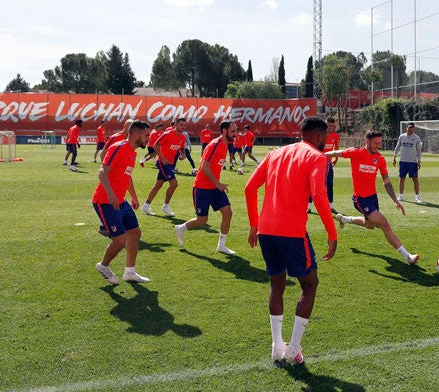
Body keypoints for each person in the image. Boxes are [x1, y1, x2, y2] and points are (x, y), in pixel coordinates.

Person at [244, 116, 338, 365]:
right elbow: (319, 195)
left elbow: (249, 188)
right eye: (325, 137)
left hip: (266, 230)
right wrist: (332, 233)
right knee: (309, 284)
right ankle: (293, 348)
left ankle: (277, 346)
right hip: (293, 233)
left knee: (277, 284)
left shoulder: (276, 153)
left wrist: (254, 224)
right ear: (319, 136)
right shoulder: (318, 157)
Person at [328, 130, 419, 265]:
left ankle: (345, 219)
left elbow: (386, 181)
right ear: (367, 141)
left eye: (380, 143)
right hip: (360, 199)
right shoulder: (356, 153)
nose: (378, 145)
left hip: (372, 198)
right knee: (384, 224)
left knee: (370, 225)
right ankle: (407, 256)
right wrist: (318, 155)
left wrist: (395, 201)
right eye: (375, 143)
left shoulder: (380, 159)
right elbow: (336, 153)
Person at [93, 120, 152, 285]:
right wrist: (111, 194)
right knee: (120, 240)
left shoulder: (132, 152)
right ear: (135, 134)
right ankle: (103, 266)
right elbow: (102, 171)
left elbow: (127, 175)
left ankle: (130, 272)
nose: (149, 138)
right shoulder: (119, 147)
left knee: (135, 233)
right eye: (146, 135)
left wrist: (133, 196)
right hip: (105, 201)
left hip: (121, 201)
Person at [174, 121, 237, 255]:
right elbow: (204, 166)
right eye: (233, 131)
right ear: (224, 131)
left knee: (228, 213)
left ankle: (221, 245)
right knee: (202, 220)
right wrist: (217, 183)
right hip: (202, 188)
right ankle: (181, 228)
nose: (236, 134)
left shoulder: (226, 145)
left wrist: (217, 185)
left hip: (215, 188)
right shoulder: (215, 144)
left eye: (236, 131)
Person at [141, 118, 187, 217]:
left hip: (170, 164)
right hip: (163, 163)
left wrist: (182, 155)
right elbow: (155, 145)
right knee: (174, 184)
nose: (183, 127)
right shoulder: (167, 134)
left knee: (158, 185)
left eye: (184, 125)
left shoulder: (183, 137)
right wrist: (163, 158)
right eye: (181, 125)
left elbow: (182, 149)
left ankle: (146, 205)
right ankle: (166, 206)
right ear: (176, 125)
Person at [307, 117, 339, 214]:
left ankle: (331, 206)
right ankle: (308, 207)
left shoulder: (335, 136)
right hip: (318, 163)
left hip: (328, 164)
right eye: (329, 126)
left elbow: (336, 148)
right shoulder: (319, 135)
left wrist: (336, 158)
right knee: (314, 184)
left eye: (332, 126)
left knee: (330, 184)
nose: (330, 128)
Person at [392, 122, 423, 203]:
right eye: (409, 128)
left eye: (411, 128)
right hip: (403, 162)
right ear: (407, 128)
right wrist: (394, 157)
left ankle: (417, 197)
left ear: (413, 129)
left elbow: (419, 150)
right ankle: (401, 196)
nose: (410, 130)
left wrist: (419, 161)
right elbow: (397, 147)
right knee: (401, 178)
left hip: (412, 162)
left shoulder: (416, 138)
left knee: (415, 179)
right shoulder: (402, 136)